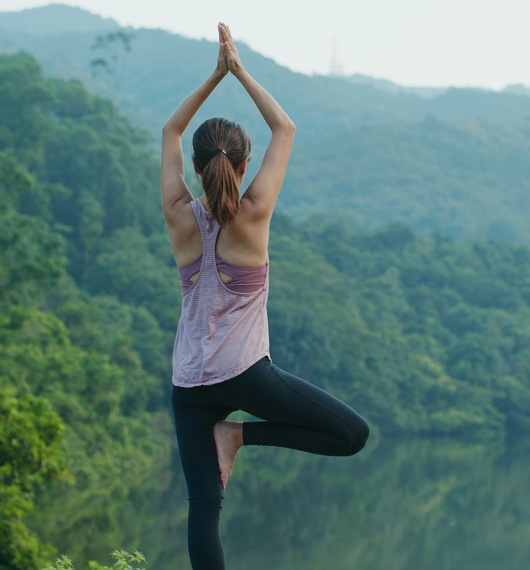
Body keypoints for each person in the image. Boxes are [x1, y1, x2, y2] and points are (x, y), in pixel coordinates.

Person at [160, 23, 370, 570]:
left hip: (188, 382)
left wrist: (214, 76)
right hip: (244, 373)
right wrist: (238, 70)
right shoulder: (253, 214)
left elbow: (170, 129)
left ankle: (231, 435)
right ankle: (239, 436)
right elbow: (285, 126)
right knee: (352, 434)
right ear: (243, 166)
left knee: (203, 508)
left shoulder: (179, 214)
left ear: (198, 168)